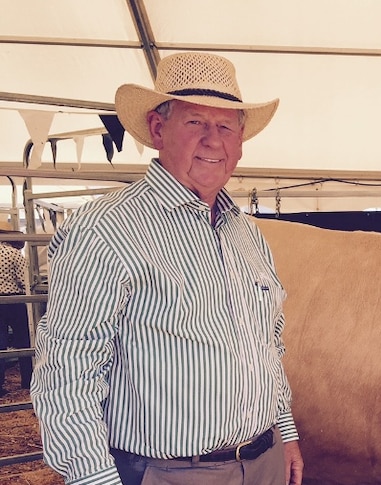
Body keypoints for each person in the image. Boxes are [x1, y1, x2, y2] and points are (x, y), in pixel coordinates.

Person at [31, 52, 303, 485]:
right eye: (196, 122)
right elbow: (68, 373)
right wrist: (94, 480)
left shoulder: (246, 234)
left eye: (226, 125)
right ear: (159, 129)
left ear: (241, 137)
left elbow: (267, 346)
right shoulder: (105, 229)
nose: (214, 141)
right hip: (170, 473)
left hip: (262, 461)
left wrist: (284, 433)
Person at [0, 220, 31, 396]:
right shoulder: (14, 254)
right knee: (23, 340)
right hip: (14, 300)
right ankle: (27, 379)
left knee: (0, 343)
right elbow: (24, 280)